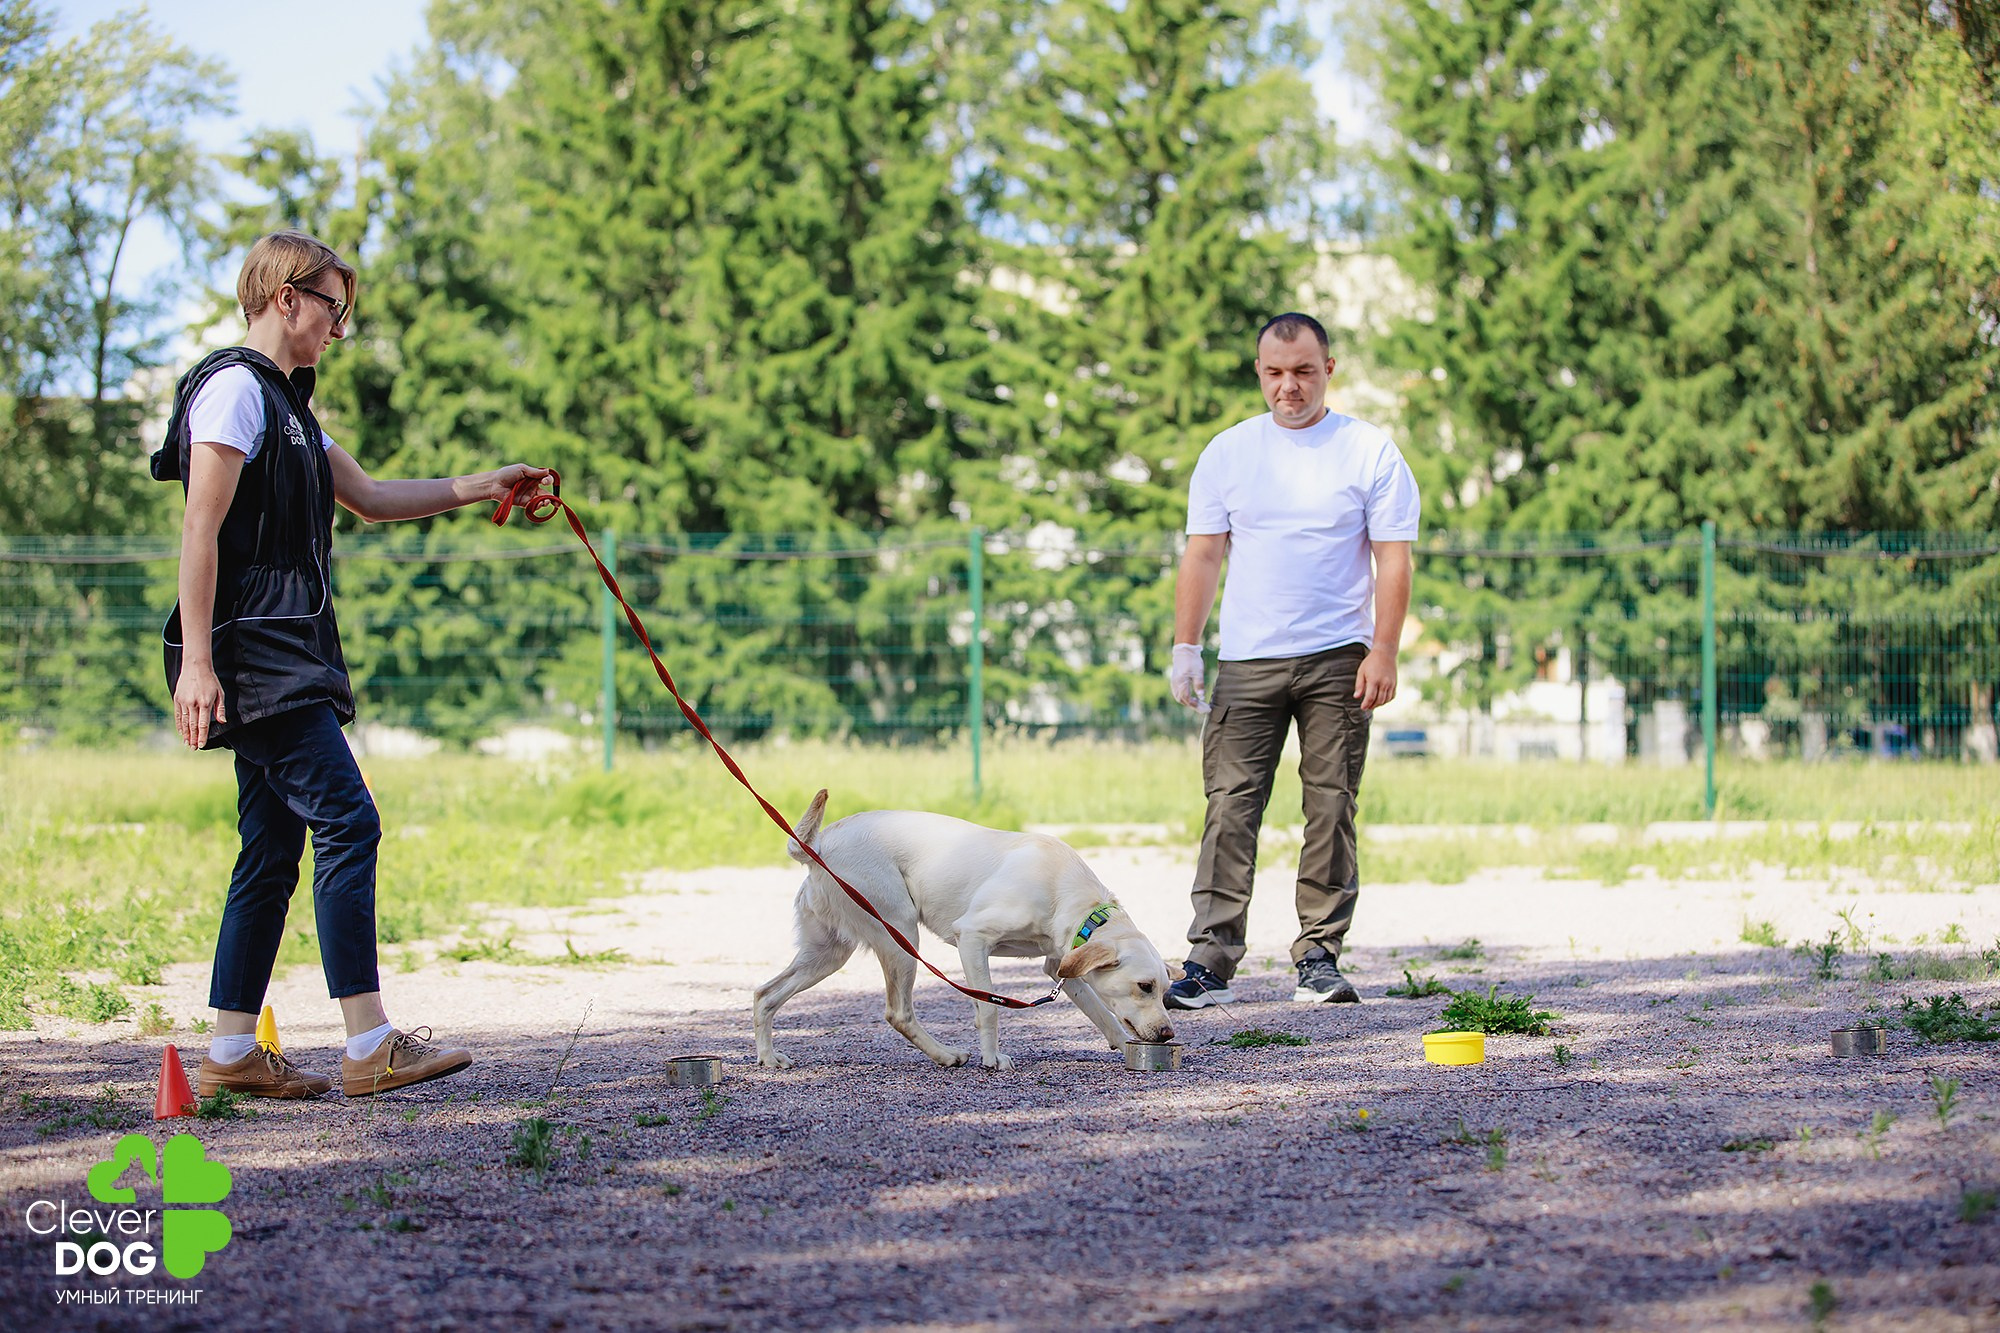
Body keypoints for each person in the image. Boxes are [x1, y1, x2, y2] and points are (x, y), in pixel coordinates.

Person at [155, 230, 554, 1098]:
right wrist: (195, 660)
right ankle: (368, 1041)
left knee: (271, 842)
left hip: (283, 651)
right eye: (334, 309)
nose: (339, 330)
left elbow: (371, 498)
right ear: (286, 295)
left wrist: (485, 484)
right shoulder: (232, 393)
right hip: (251, 654)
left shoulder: (290, 410)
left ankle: (228, 1055)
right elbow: (199, 528)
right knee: (348, 819)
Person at [1163, 312, 1418, 1009]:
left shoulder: (1369, 450)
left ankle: (1319, 957)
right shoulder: (1229, 452)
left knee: (1330, 805)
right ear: (1259, 373)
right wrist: (1187, 646)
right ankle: (1210, 962)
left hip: (1339, 656)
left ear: (1329, 368)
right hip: (1248, 660)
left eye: (1304, 370)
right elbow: (1204, 552)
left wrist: (1385, 649)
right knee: (1230, 807)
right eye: (1275, 372)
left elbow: (1393, 556)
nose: (1289, 386)